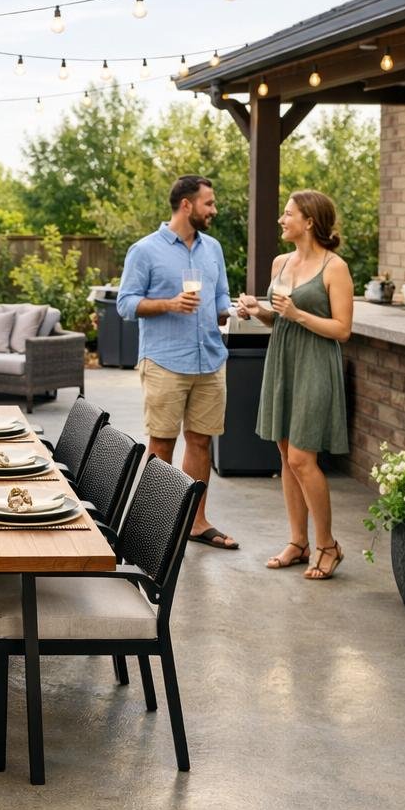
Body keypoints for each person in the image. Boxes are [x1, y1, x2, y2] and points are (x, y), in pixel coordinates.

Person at [117, 175, 237, 549]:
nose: (214, 210)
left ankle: (196, 523)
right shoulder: (145, 250)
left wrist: (232, 309)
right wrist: (170, 303)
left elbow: (221, 297)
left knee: (200, 442)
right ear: (187, 205)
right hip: (165, 361)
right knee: (163, 443)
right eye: (209, 203)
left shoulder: (212, 248)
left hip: (210, 360)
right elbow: (125, 304)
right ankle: (154, 525)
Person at [237, 190, 352, 580]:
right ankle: (298, 541)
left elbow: (342, 329)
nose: (282, 220)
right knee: (285, 454)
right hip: (282, 360)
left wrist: (297, 313)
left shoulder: (335, 267)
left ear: (309, 222)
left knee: (304, 458)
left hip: (316, 364)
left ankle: (328, 544)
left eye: (288, 214)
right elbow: (278, 318)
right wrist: (259, 311)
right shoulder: (281, 262)